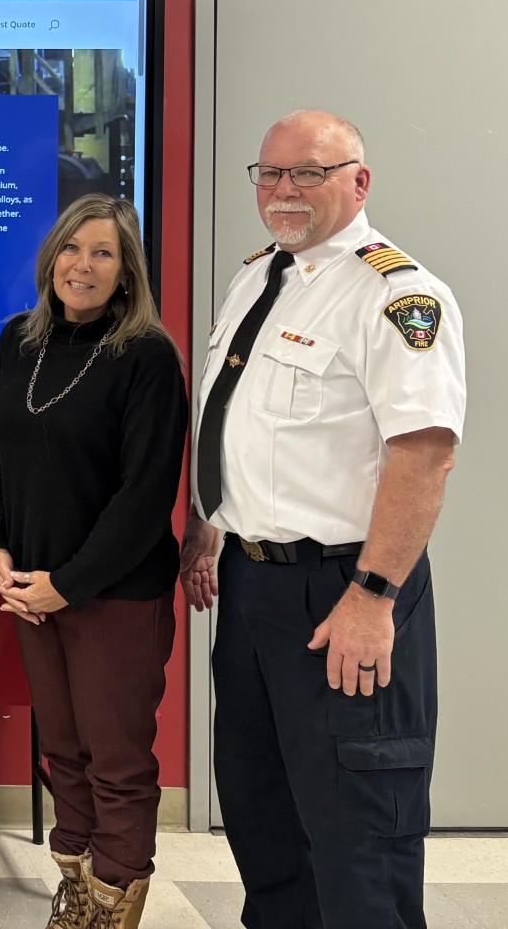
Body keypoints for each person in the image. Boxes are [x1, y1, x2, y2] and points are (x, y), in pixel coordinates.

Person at [182, 110, 464, 929]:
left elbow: (424, 455)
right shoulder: (259, 277)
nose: (283, 192)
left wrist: (374, 596)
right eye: (269, 174)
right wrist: (211, 522)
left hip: (344, 589)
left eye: (307, 173)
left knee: (358, 830)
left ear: (358, 181)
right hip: (251, 583)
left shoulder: (397, 294)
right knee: (263, 811)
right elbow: (239, 417)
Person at [0, 195, 187, 929]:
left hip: (114, 594)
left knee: (116, 760)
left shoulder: (147, 356)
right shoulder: (18, 342)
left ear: (127, 271)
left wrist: (68, 585)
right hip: (31, 588)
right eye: (71, 249)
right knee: (62, 750)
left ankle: (114, 900)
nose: (82, 265)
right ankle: (76, 888)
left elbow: (145, 493)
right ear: (50, 258)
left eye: (102, 253)